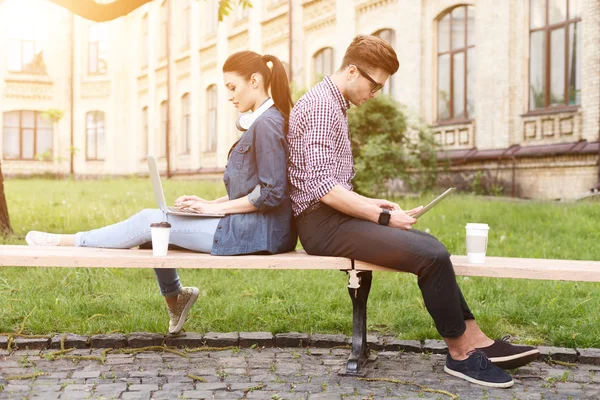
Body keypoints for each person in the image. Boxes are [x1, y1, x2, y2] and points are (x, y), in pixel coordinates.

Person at [287, 35, 539, 388]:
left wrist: (374, 204)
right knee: (430, 255)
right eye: (375, 85)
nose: (376, 93)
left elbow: (329, 181)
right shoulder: (319, 106)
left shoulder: (331, 103)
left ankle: (477, 340)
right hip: (321, 225)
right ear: (353, 71)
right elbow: (322, 188)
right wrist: (384, 217)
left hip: (332, 216)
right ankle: (461, 355)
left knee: (430, 244)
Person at [26, 51, 297, 335]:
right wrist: (208, 203)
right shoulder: (262, 121)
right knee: (160, 225)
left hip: (259, 232)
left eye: (232, 87)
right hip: (250, 227)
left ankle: (67, 242)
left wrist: (215, 210)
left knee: (151, 222)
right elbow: (252, 189)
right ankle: (175, 297)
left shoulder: (266, 124)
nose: (229, 96)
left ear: (254, 80)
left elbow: (270, 193)